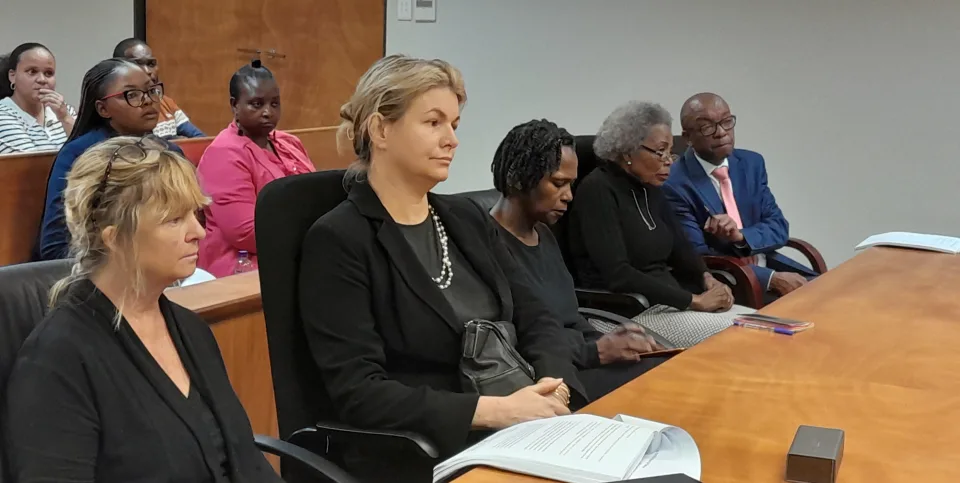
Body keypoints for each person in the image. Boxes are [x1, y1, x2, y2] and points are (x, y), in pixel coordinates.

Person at [300, 55, 582, 480]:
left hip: (519, 427)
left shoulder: (466, 217)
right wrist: (498, 411)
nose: (452, 140)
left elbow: (537, 317)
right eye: (434, 123)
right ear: (380, 130)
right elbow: (360, 393)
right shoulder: (339, 239)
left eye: (454, 124)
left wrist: (553, 388)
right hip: (424, 450)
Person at [3, 136, 282, 482]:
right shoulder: (57, 359)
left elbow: (245, 460)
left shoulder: (191, 329)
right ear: (114, 237)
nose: (198, 232)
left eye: (195, 214)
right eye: (174, 220)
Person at [489, 119, 671, 400]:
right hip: (545, 376)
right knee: (662, 385)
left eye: (571, 184)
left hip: (579, 357)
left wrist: (608, 340)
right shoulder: (485, 244)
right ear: (516, 179)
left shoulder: (543, 234)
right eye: (558, 183)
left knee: (669, 365)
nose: (569, 196)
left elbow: (570, 317)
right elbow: (514, 338)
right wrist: (593, 351)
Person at [568, 101, 753, 348]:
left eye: (670, 152)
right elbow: (618, 275)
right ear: (627, 152)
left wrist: (707, 278)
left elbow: (681, 248)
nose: (669, 161)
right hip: (627, 311)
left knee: (767, 326)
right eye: (660, 151)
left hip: (670, 303)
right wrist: (694, 301)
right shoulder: (597, 190)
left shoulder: (650, 188)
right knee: (743, 339)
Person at [663, 93, 818, 300]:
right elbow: (698, 256)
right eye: (707, 127)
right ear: (687, 138)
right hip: (730, 281)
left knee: (836, 289)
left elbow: (778, 227)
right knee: (811, 306)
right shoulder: (674, 184)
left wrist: (741, 237)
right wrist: (770, 279)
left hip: (767, 263)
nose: (721, 133)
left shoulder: (751, 164)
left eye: (727, 122)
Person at [38, 58, 179, 261]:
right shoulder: (79, 154)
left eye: (151, 90)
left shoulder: (170, 152)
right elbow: (55, 245)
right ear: (103, 109)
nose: (148, 100)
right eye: (132, 95)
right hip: (102, 267)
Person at [196, 60, 315, 277]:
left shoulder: (290, 142)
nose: (268, 112)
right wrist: (315, 230)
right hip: (243, 268)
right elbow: (247, 233)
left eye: (275, 104)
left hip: (299, 253)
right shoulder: (223, 153)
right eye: (257, 104)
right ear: (235, 105)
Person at [114, 38, 204, 139]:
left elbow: (199, 139)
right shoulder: (119, 107)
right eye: (137, 65)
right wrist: (172, 142)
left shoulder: (166, 102)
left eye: (151, 64)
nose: (148, 71)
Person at [0, 43, 76, 153]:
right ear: (12, 76)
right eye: (32, 72)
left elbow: (92, 156)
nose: (42, 79)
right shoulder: (2, 115)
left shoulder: (66, 111)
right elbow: (33, 161)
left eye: (48, 73)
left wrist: (65, 118)